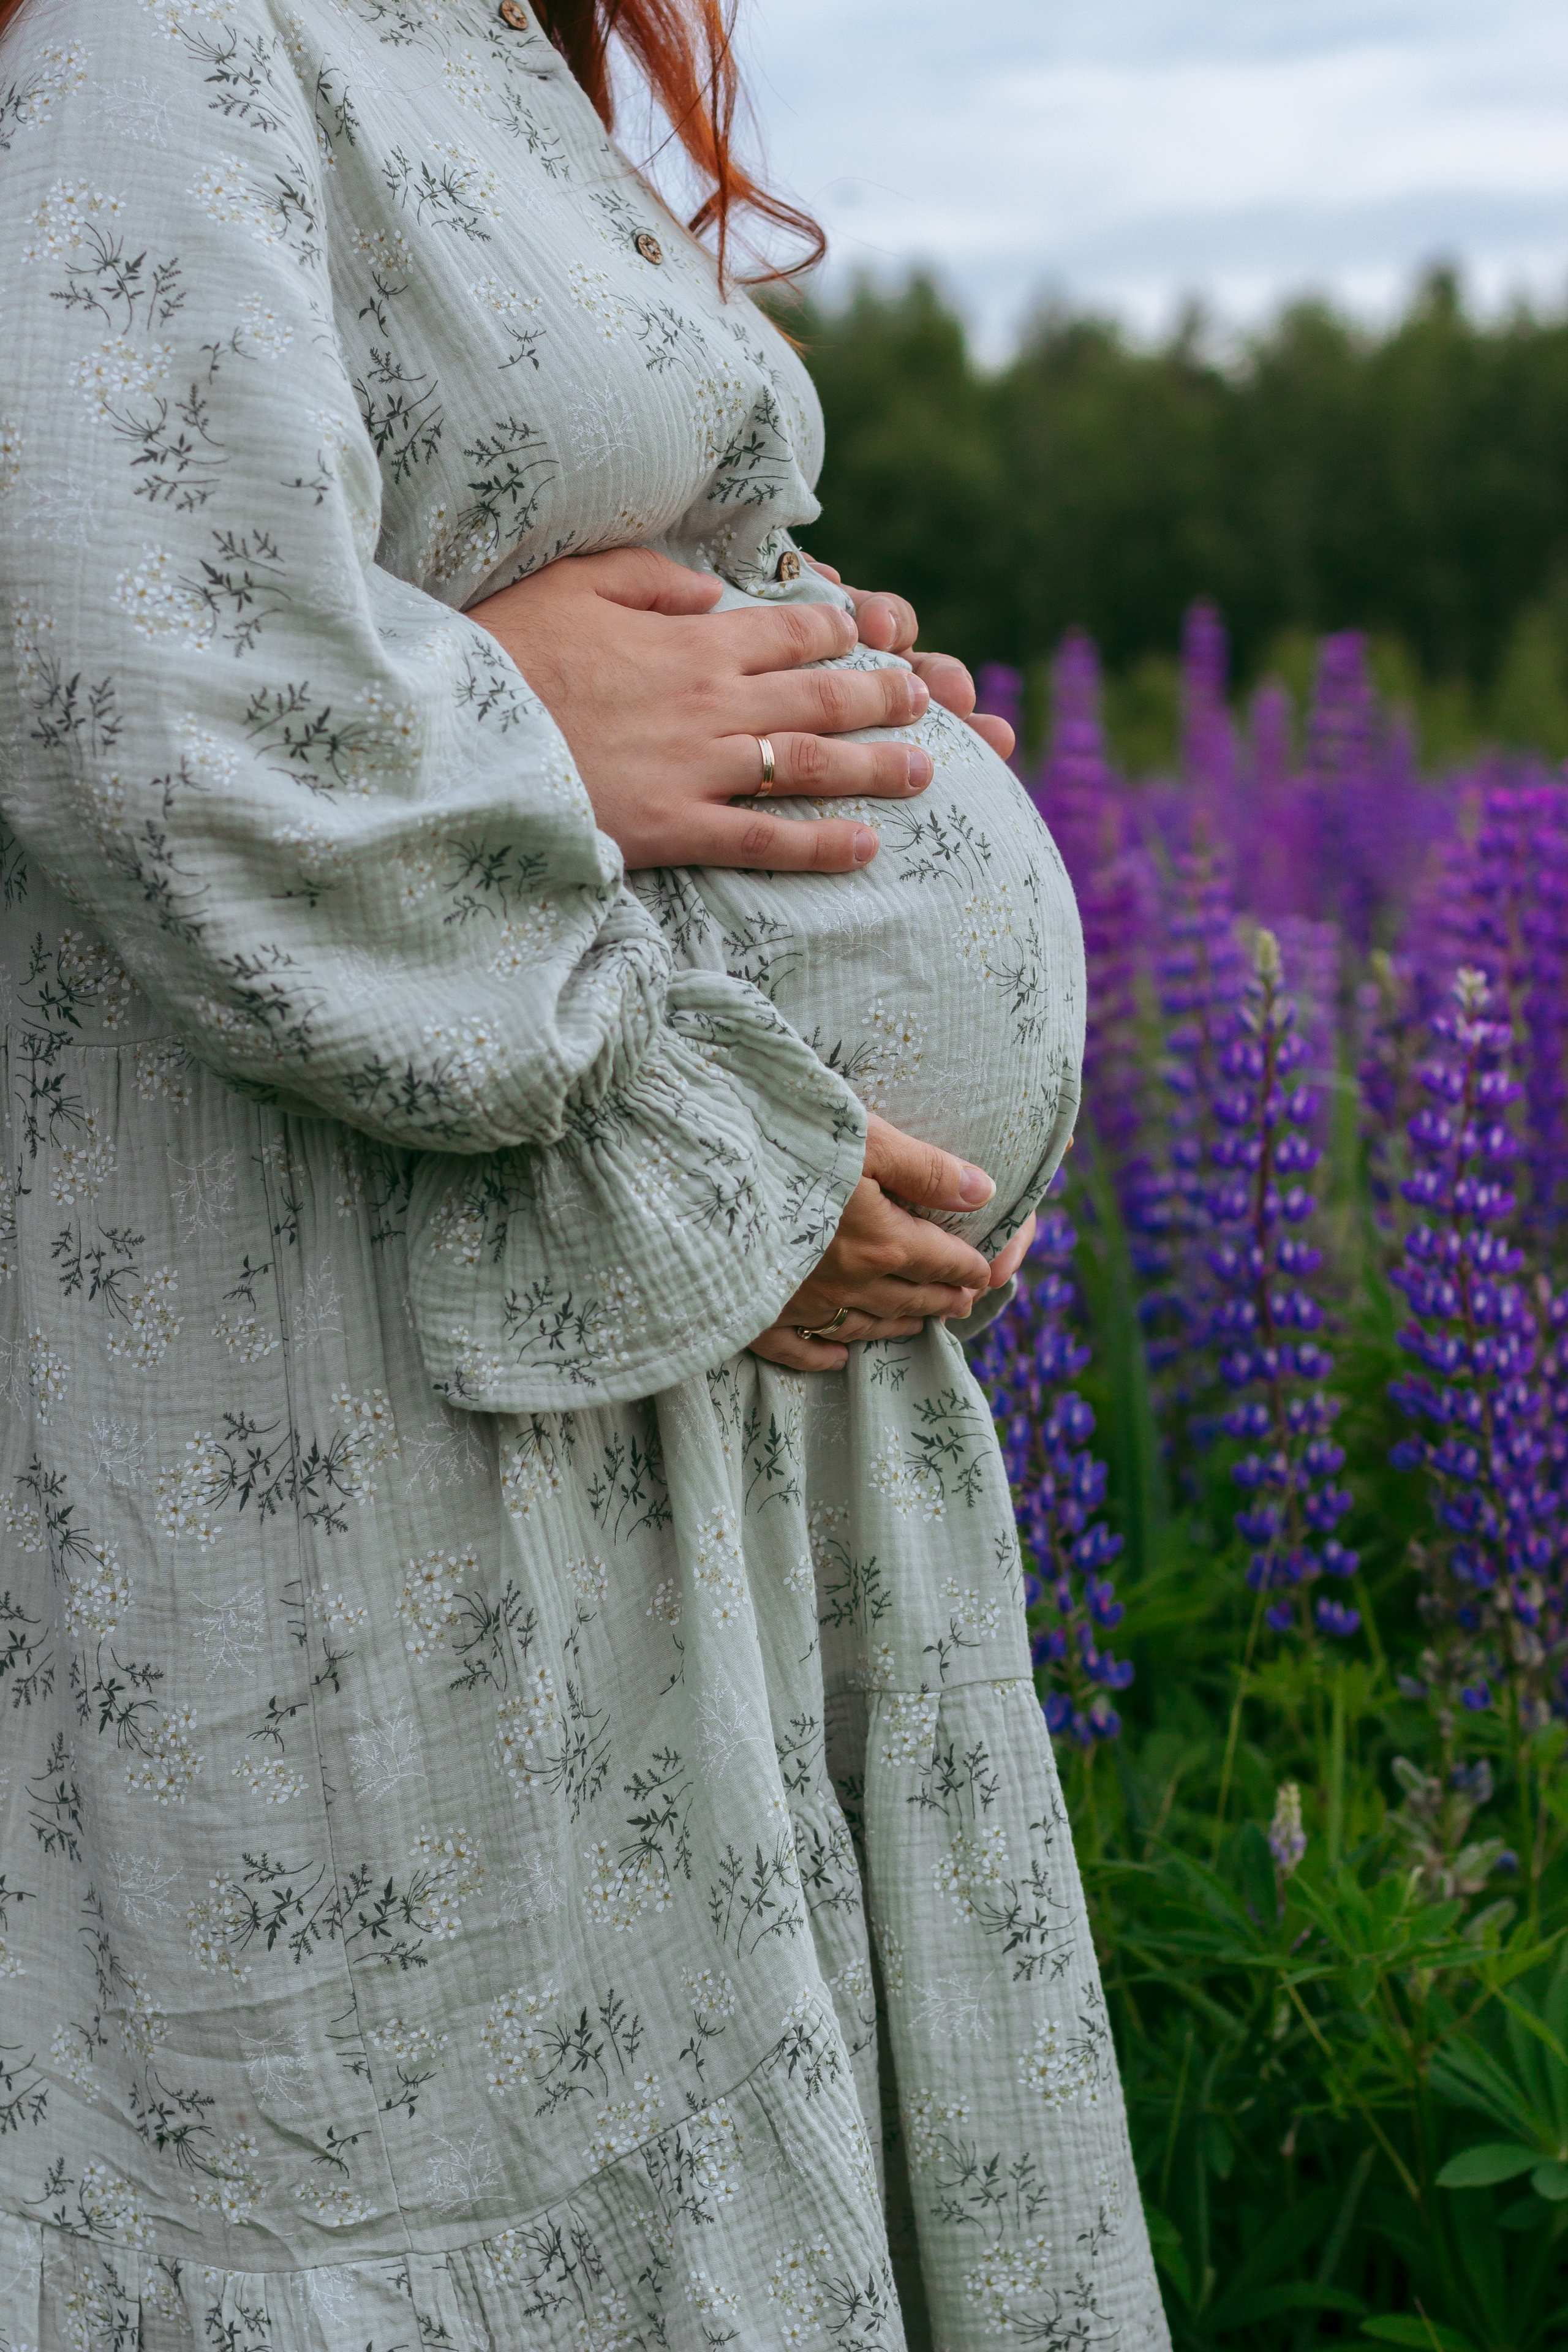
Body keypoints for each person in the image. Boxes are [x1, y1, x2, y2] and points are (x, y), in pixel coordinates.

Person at [0, 0, 1169, 2345]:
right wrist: (722, 1131)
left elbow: (467, 548)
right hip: (377, 1411)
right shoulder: (174, 25)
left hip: (633, 1392)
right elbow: (143, 677)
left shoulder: (478, 45)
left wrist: (821, 675)